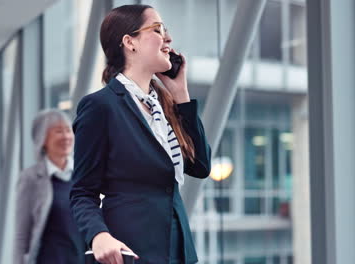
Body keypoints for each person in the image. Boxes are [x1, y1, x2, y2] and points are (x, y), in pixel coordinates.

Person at [70, 4, 212, 264]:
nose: (168, 39)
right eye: (157, 29)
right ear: (129, 42)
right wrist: (98, 235)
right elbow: (81, 191)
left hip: (178, 252)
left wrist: (181, 96)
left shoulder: (162, 106)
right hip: (132, 252)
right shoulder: (101, 106)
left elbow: (200, 165)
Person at [14, 109, 85, 264]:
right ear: (43, 139)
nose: (66, 136)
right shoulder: (31, 178)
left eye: (68, 130)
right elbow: (22, 236)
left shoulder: (83, 174)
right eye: (58, 131)